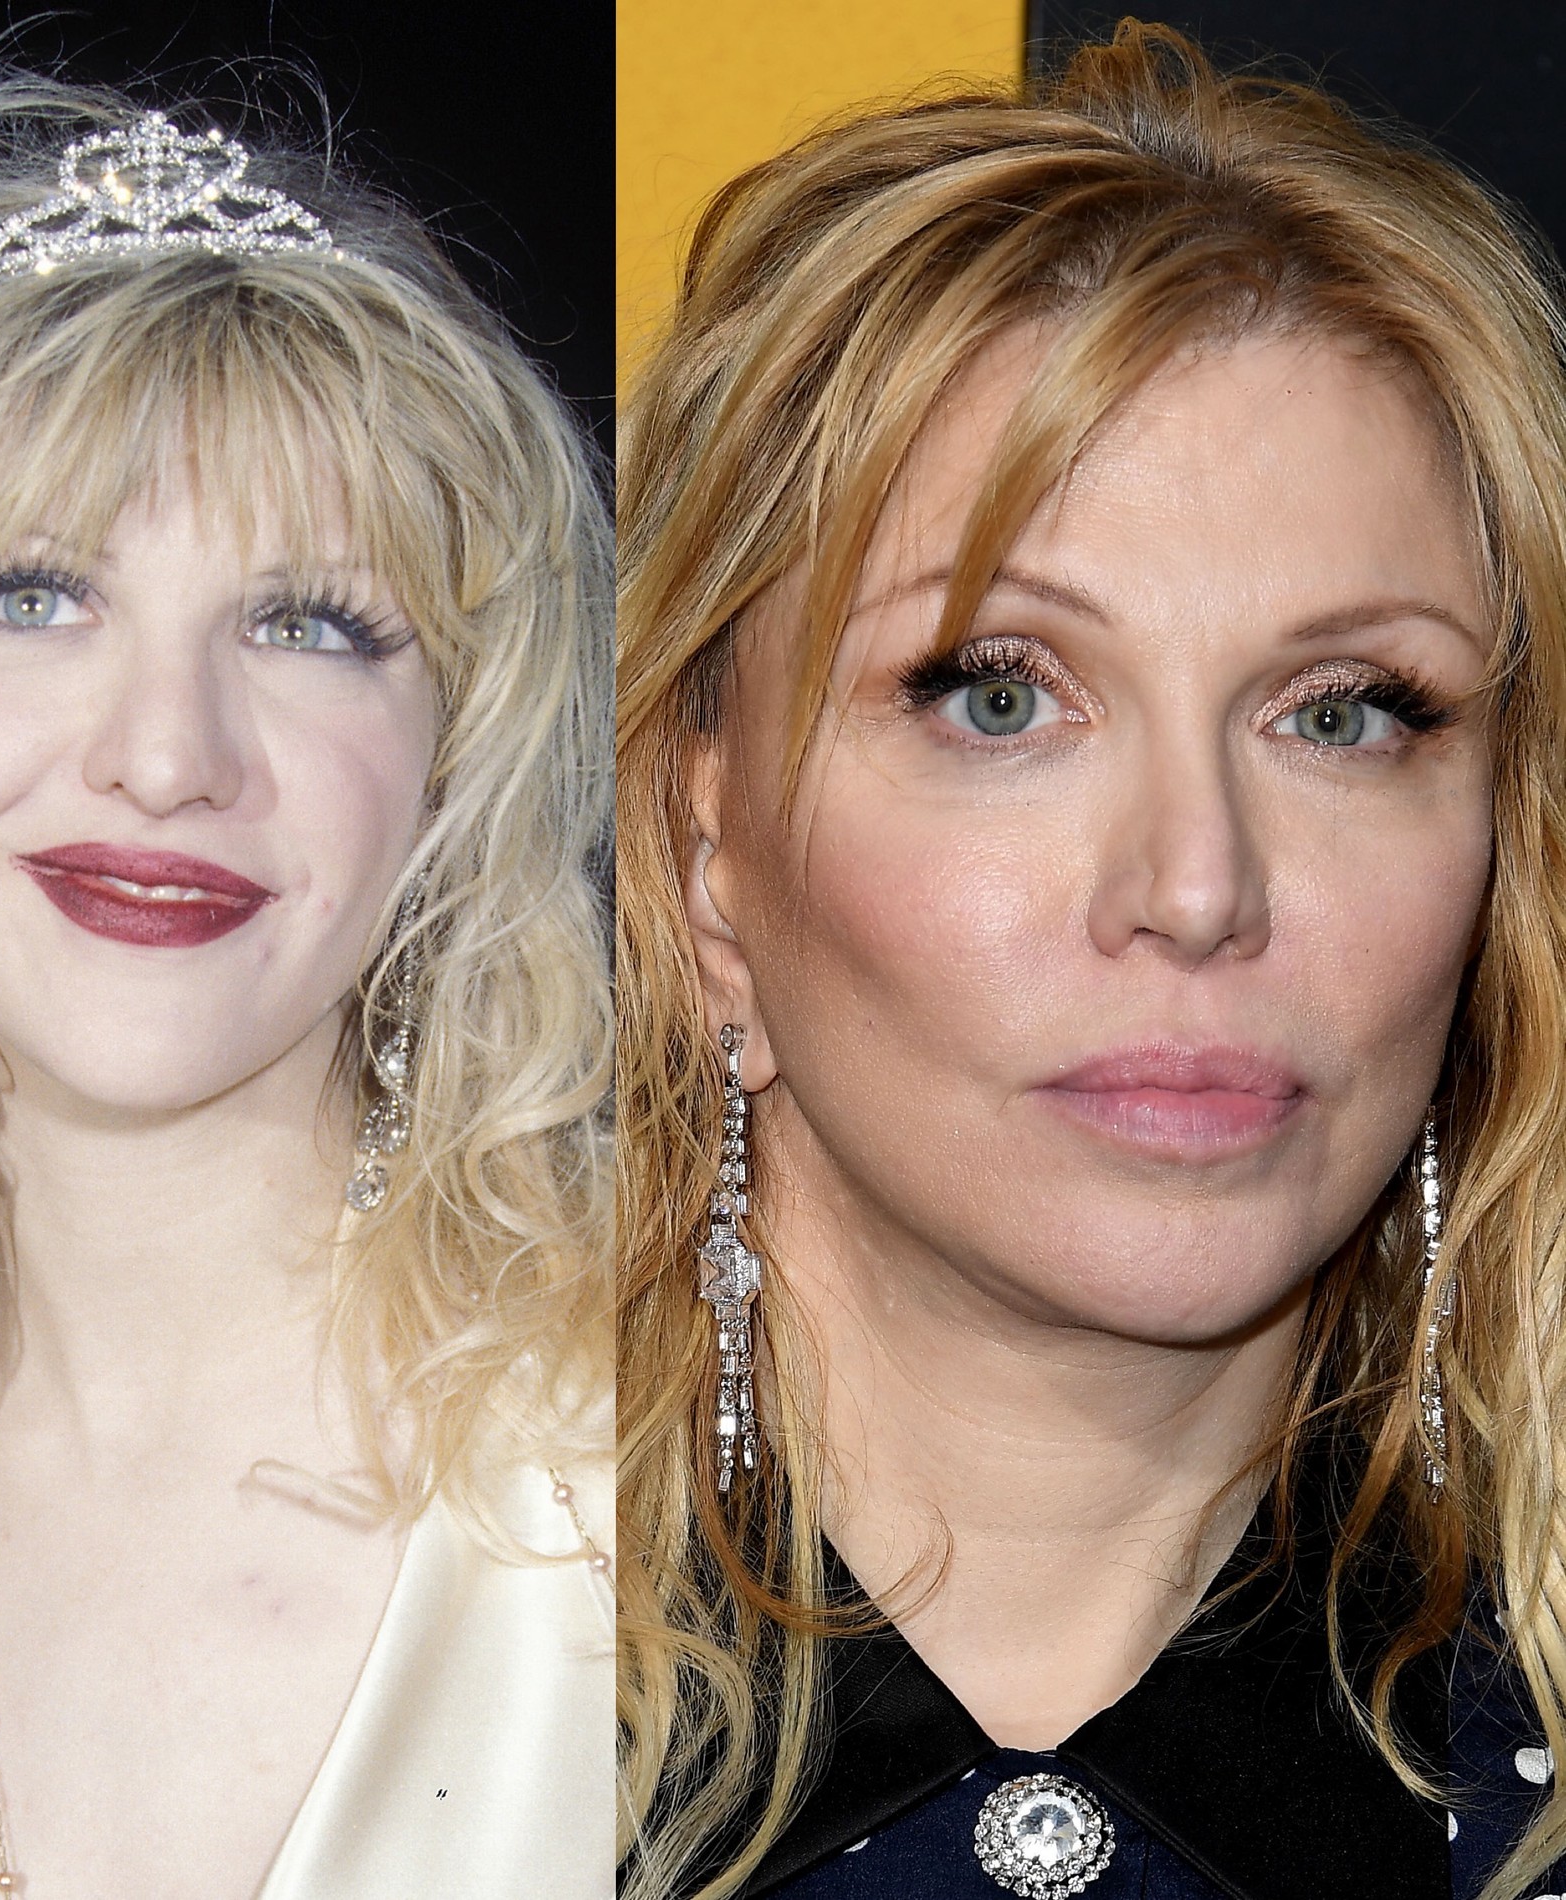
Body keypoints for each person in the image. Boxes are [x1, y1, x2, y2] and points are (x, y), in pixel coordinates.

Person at [617, 23, 1566, 1900]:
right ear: (703, 847)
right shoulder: (368, 1705)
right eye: (998, 695)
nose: (1198, 888)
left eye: (1346, 713)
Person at [0, 75, 612, 1900]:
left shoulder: (676, 1454)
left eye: (309, 624)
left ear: (453, 757)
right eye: (32, 596)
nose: (169, 756)